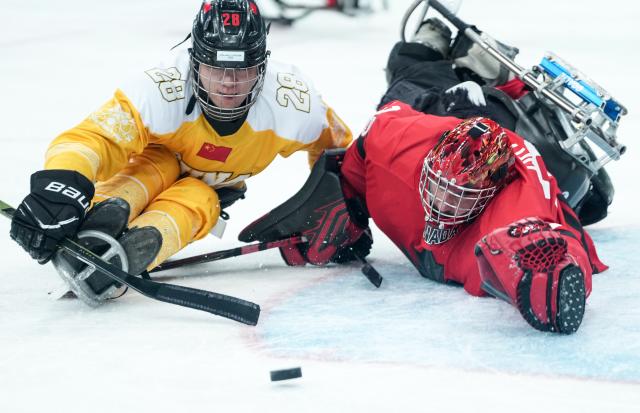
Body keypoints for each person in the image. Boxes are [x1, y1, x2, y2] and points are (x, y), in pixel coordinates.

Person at [9, 0, 352, 302]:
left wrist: (344, 212)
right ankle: (104, 213)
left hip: (213, 188)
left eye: (242, 69)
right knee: (153, 167)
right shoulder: (161, 86)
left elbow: (339, 156)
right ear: (194, 61)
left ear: (263, 65)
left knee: (199, 198)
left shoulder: (294, 103)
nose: (228, 84)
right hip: (155, 160)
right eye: (216, 68)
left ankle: (141, 243)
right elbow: (95, 138)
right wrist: (59, 184)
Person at [239, 103, 607, 334]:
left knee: (589, 195)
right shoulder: (399, 145)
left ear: (489, 194)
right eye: (437, 185)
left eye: (458, 197)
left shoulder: (514, 213)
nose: (440, 201)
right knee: (413, 69)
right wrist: (346, 202)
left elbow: (562, 246)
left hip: (537, 163)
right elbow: (370, 138)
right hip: (455, 118)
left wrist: (548, 285)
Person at [382, 17, 615, 226]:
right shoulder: (558, 184)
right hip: (461, 125)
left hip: (443, 121)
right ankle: (457, 57)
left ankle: (448, 53)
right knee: (414, 77)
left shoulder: (562, 181)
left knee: (411, 72)